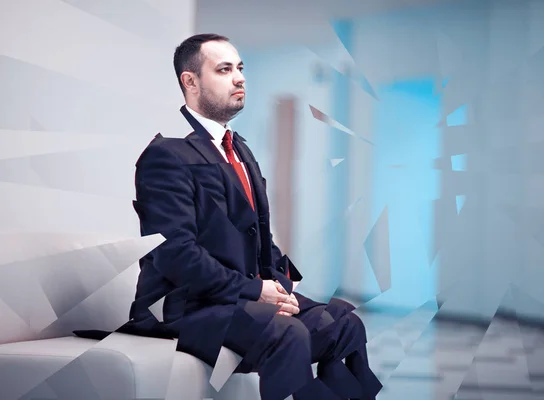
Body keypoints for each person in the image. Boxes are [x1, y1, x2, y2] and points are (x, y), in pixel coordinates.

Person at [127, 33, 382, 400]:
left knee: (344, 324)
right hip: (185, 307)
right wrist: (254, 291)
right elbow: (176, 254)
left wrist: (283, 288)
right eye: (225, 69)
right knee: (286, 332)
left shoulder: (241, 151)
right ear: (191, 81)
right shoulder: (165, 157)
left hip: (239, 299)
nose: (240, 77)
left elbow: (263, 241)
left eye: (241, 68)